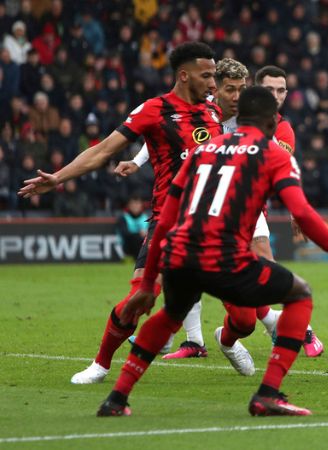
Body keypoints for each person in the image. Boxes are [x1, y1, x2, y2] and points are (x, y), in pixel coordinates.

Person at [96, 87, 328, 417]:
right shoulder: (275, 153)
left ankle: (116, 399)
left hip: (179, 254)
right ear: (272, 121)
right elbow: (303, 212)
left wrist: (146, 284)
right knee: (300, 294)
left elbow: (166, 217)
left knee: (170, 314)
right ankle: (268, 394)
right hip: (225, 256)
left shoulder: (203, 149)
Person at [19, 42, 231, 384]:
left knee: (246, 306)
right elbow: (103, 150)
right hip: (170, 222)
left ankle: (231, 341)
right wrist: (57, 178)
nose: (212, 82)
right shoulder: (153, 110)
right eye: (206, 75)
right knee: (138, 300)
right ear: (183, 75)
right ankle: (101, 365)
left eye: (214, 75)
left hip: (214, 223)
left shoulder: (214, 111)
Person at [118, 62, 325, 359]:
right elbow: (169, 134)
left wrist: (295, 207)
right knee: (190, 264)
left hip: (245, 204)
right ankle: (193, 339)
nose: (275, 96)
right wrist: (137, 162)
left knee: (262, 262)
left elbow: (280, 167)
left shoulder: (276, 126)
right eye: (269, 89)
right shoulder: (213, 110)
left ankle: (283, 323)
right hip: (205, 202)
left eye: (281, 90)